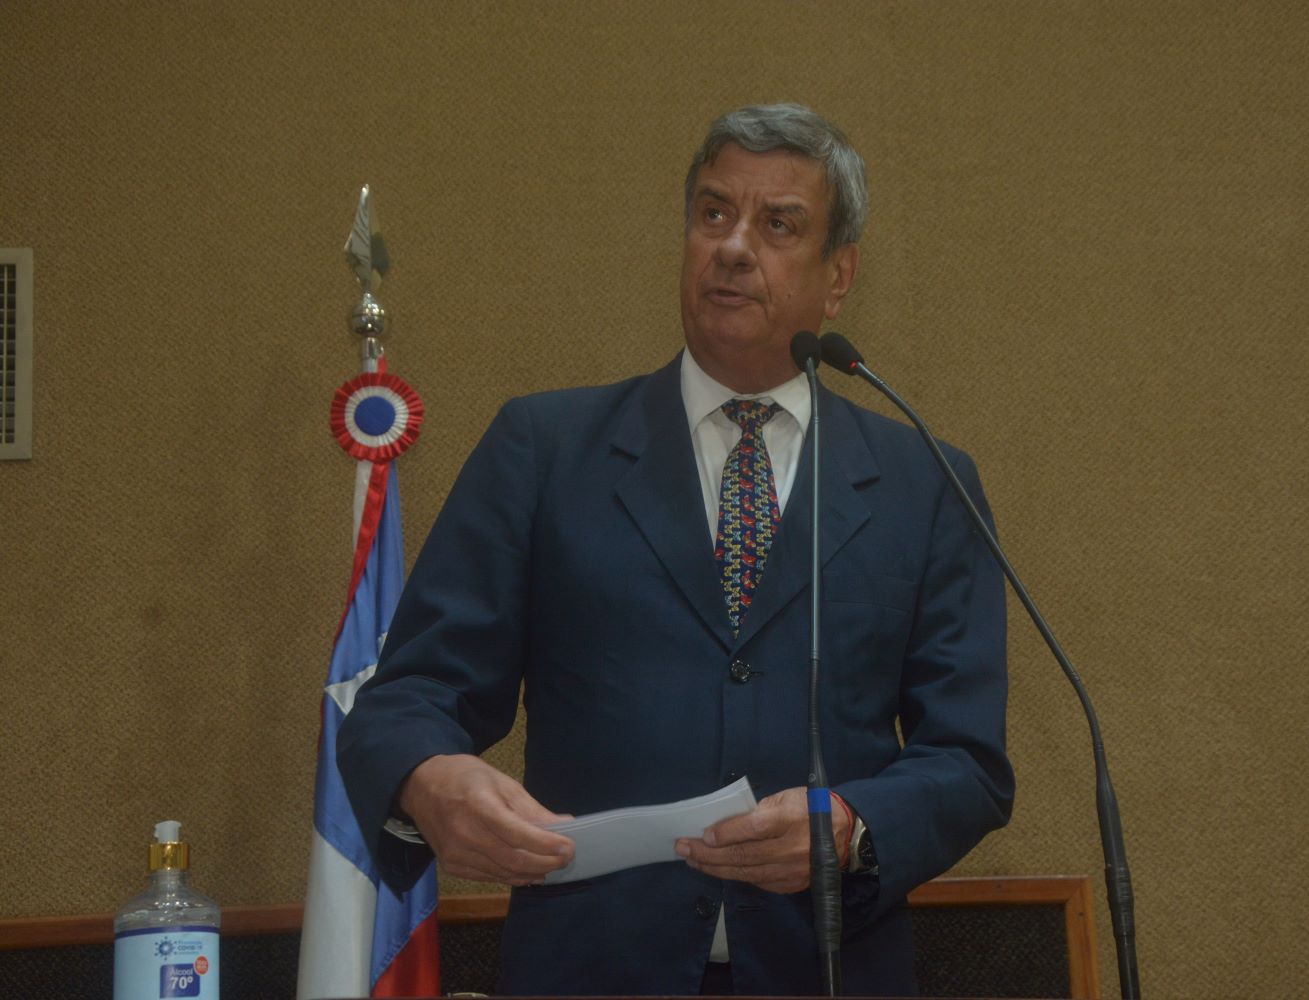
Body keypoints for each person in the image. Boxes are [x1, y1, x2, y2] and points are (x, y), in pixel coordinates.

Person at [338, 103, 1014, 996]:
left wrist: (854, 824)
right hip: (590, 969)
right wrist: (429, 779)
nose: (733, 247)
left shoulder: (925, 483)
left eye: (779, 225)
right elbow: (410, 695)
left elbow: (968, 760)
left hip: (826, 970)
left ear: (839, 276)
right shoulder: (546, 450)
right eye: (713, 213)